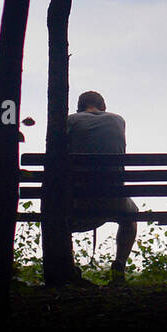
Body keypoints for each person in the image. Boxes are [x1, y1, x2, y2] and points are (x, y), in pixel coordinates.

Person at [65, 91, 138, 286]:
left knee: (60, 220)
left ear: (79, 107)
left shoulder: (70, 121)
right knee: (132, 216)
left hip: (80, 200)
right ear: (103, 106)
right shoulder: (118, 120)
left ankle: (69, 268)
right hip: (115, 198)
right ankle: (119, 266)